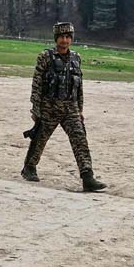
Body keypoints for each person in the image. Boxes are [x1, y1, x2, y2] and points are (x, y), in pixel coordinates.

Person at [22, 22, 107, 192]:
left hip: (71, 108)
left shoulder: (76, 58)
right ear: (56, 39)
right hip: (49, 107)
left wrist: (80, 109)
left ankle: (87, 177)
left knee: (80, 139)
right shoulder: (45, 57)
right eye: (61, 37)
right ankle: (29, 168)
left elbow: (79, 86)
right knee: (40, 139)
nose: (65, 40)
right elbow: (37, 84)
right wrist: (36, 109)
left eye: (68, 37)